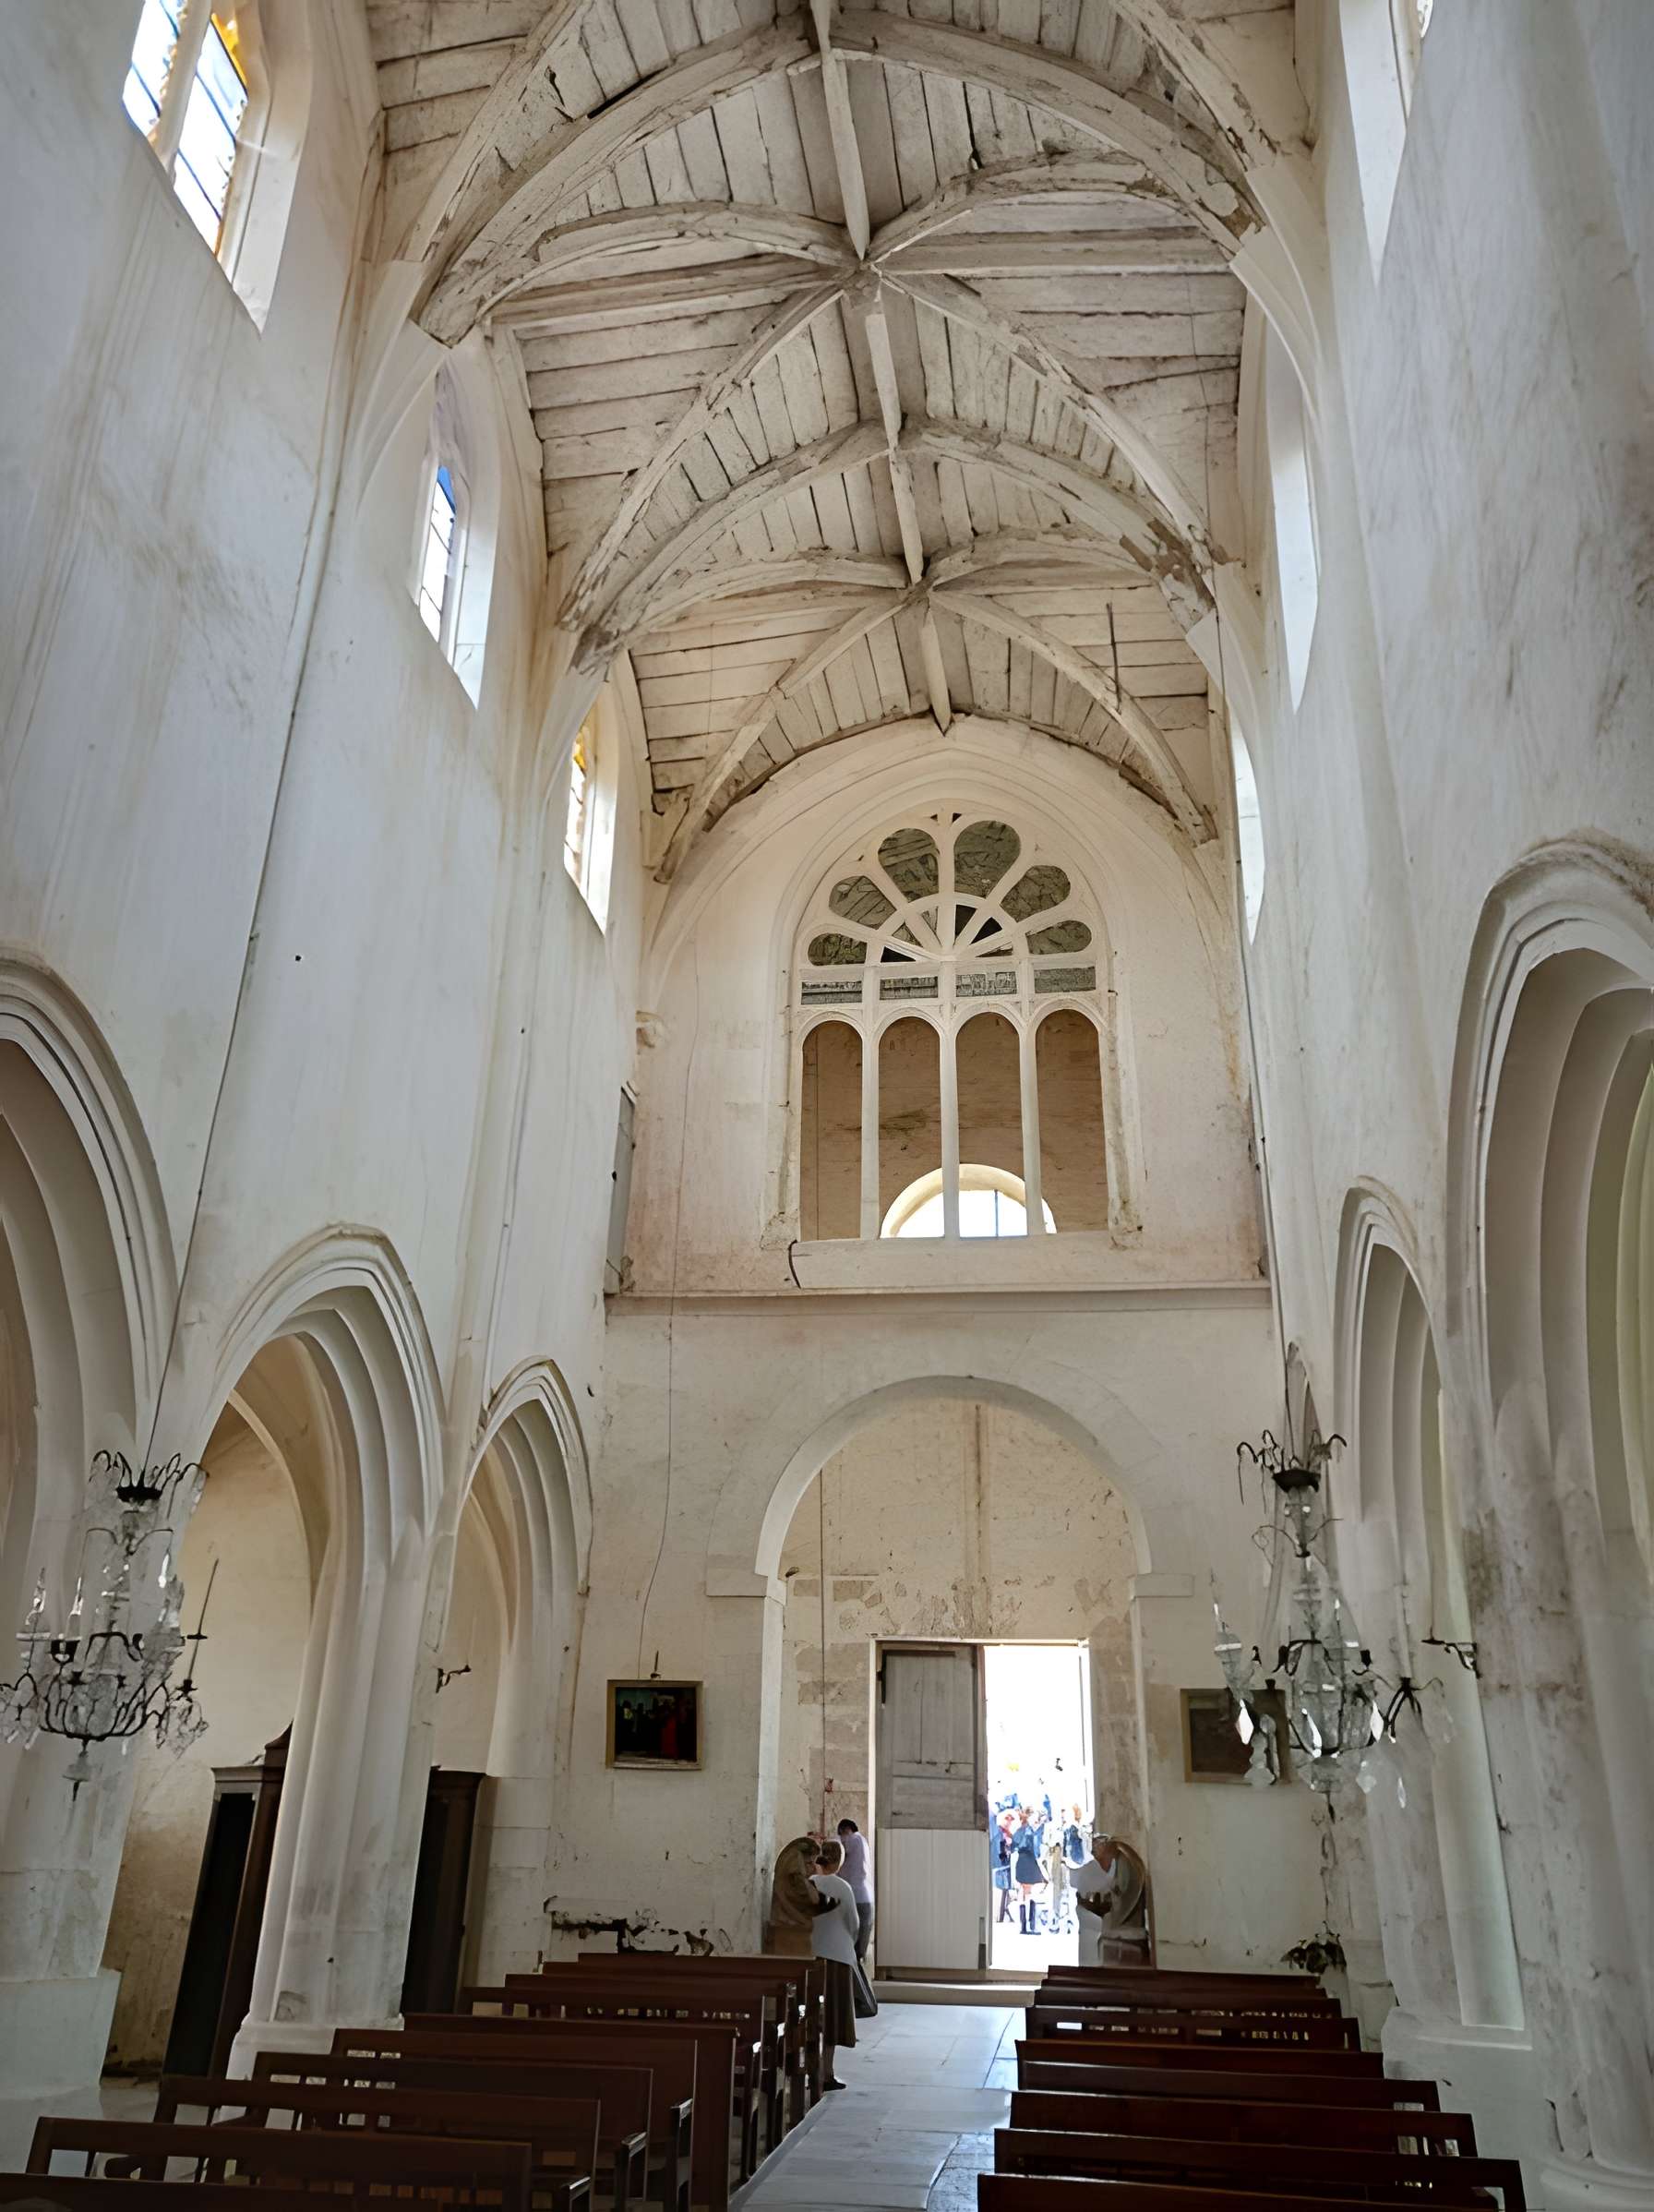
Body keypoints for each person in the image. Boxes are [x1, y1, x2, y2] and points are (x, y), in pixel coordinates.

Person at [809, 1837, 861, 2085]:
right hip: (838, 1956)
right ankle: (826, 2073)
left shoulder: (809, 1884)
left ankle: (809, 2070)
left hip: (811, 1955)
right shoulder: (843, 1887)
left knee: (810, 2018)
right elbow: (854, 1923)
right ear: (839, 1861)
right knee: (832, 2019)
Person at [1072, 1832, 1151, 1966]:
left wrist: (1104, 1898)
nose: (1094, 1852)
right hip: (1121, 1917)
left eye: (1096, 1846)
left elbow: (1124, 1892)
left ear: (1104, 1845)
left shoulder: (1122, 1859)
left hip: (1129, 1922)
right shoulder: (1118, 1858)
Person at [836, 1817, 875, 1966]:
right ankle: (857, 1965)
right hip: (864, 1895)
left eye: (842, 1833)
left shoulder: (854, 1840)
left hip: (857, 1896)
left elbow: (838, 1850)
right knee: (862, 1935)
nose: (842, 1837)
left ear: (848, 1830)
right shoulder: (862, 1842)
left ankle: (853, 1968)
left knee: (855, 1936)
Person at [1011, 1809, 1048, 1934]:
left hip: (1021, 1861)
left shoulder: (1019, 1831)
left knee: (1025, 1891)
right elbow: (1037, 1849)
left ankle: (1025, 1925)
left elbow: (1012, 1846)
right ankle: (1029, 1925)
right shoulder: (1031, 1832)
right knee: (1029, 1892)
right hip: (1029, 1861)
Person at [991, 1809, 1016, 1923]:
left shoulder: (1009, 1834)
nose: (1009, 1822)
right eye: (1007, 1818)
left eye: (1011, 1820)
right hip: (997, 1870)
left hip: (1006, 1871)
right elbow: (998, 1853)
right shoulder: (997, 1833)